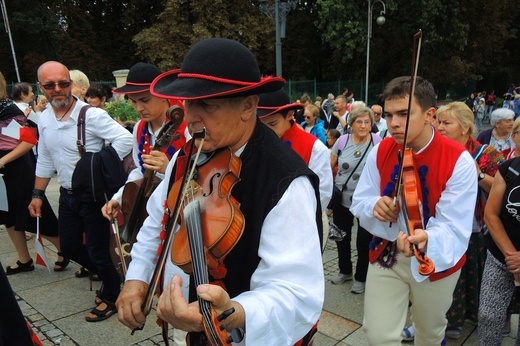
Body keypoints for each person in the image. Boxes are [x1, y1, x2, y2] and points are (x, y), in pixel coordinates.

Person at [116, 38, 324, 345]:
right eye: (188, 103)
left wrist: (232, 313)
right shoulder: (186, 155)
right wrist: (137, 278)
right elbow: (158, 220)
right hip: (187, 325)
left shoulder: (285, 180)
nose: (188, 117)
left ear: (248, 106)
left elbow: (295, 292)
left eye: (206, 105)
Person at [350, 76, 477, 345]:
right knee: (377, 335)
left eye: (404, 114)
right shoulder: (382, 149)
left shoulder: (458, 159)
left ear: (430, 114)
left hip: (436, 260)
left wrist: (427, 238)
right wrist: (375, 205)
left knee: (429, 333)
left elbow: (454, 224)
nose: (393, 123)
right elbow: (360, 200)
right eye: (388, 115)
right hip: (388, 252)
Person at [28, 61, 133, 322]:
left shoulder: (91, 115)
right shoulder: (44, 119)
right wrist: (37, 194)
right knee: (71, 247)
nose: (58, 89)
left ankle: (111, 294)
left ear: (71, 85)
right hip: (66, 194)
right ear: (41, 87)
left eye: (63, 83)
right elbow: (44, 158)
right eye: (50, 85)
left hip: (93, 196)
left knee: (97, 249)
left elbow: (125, 139)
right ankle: (110, 274)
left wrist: (94, 162)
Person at [435, 101, 504, 339]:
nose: (440, 127)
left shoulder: (486, 153)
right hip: (443, 224)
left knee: (472, 274)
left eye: (446, 122)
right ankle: (449, 319)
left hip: (478, 225)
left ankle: (473, 316)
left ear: (465, 128)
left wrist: (478, 173)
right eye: (438, 122)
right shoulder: (438, 150)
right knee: (446, 271)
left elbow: (502, 188)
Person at [0, 71, 64, 275]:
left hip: (18, 169)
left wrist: (2, 160)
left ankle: (68, 251)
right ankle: (24, 259)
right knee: (7, 216)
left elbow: (28, 141)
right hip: (4, 171)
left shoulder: (8, 111)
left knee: (37, 215)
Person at [329, 106, 381, 295]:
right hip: (342, 198)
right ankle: (345, 271)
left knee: (363, 240)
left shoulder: (377, 141)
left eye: (367, 122)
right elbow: (330, 165)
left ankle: (361, 277)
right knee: (340, 237)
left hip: (366, 201)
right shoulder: (342, 141)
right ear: (351, 124)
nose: (363, 125)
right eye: (359, 121)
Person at [256, 88, 332, 212]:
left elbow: (322, 193)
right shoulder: (254, 141)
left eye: (272, 124)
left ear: (290, 114)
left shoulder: (314, 148)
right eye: (260, 125)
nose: (266, 131)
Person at [478, 156, 520, 345]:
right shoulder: (510, 168)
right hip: (501, 255)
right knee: (488, 315)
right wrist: (512, 257)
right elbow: (491, 214)